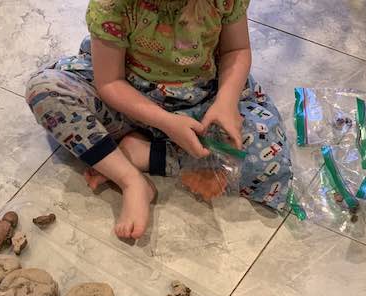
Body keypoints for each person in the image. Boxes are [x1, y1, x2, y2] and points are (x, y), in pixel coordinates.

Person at [25, 0, 292, 239]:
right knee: (45, 90)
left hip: (199, 99)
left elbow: (237, 49)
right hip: (126, 97)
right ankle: (131, 178)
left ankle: (143, 152)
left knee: (267, 154)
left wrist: (226, 102)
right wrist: (165, 122)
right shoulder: (111, 6)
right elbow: (109, 82)